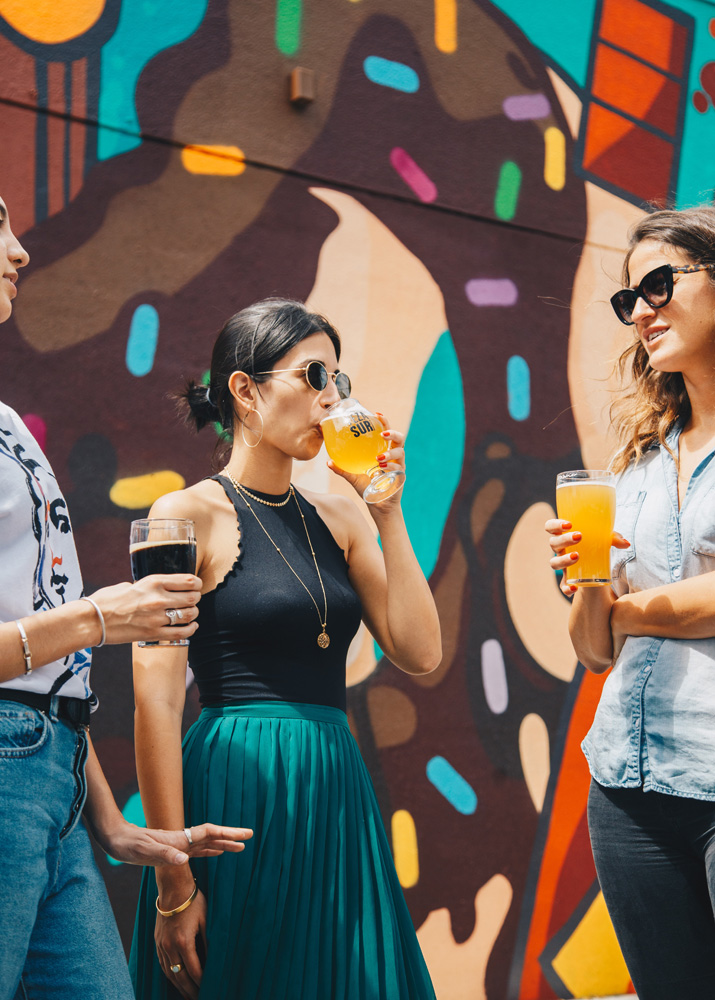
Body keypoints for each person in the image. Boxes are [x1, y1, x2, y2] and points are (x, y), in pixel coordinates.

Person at [128, 297, 442, 999]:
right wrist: (173, 877)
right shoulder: (180, 514)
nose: (330, 399)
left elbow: (420, 652)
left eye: (337, 380)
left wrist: (387, 510)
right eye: (312, 376)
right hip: (236, 789)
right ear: (245, 389)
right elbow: (153, 702)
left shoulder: (344, 513)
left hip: (334, 792)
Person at [0, 195, 253, 1000]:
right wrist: (100, 618)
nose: (20, 250)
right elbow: (60, 643)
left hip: (56, 780)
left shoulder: (9, 422)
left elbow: (54, 684)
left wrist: (112, 826)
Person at [546, 205, 715, 999]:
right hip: (626, 785)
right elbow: (592, 652)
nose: (640, 310)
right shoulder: (635, 461)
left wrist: (626, 608)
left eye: (657, 284)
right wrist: (585, 582)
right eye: (628, 298)